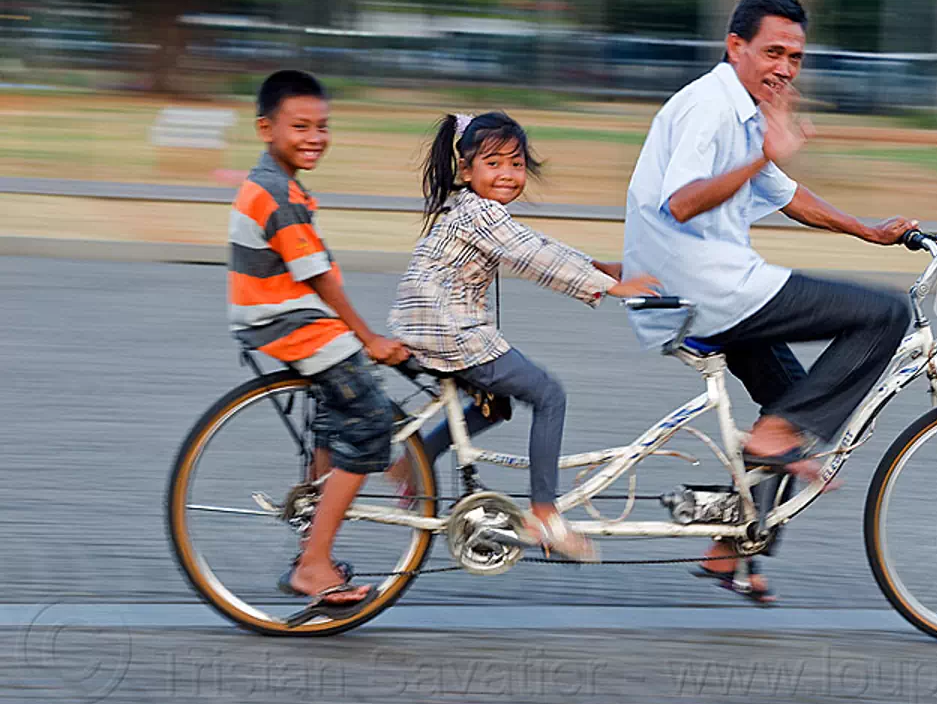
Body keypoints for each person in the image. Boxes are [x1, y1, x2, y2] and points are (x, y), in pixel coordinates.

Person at [622, 0, 917, 602]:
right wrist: (760, 157)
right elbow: (682, 202)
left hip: (707, 286)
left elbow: (786, 193)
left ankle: (729, 551)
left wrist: (871, 232)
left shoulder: (746, 109)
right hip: (700, 285)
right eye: (772, 52)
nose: (784, 68)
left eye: (796, 57)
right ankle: (770, 445)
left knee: (793, 405)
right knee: (886, 314)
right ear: (736, 47)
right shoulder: (709, 107)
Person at [388, 111, 659, 561]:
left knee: (495, 405)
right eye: (493, 164)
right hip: (449, 331)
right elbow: (531, 255)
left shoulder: (472, 209)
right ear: (466, 169)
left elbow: (531, 243)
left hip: (426, 324)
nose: (508, 175)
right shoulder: (481, 214)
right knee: (549, 394)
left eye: (516, 164)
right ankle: (544, 515)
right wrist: (611, 286)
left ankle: (413, 461)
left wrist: (597, 267)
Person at [228, 69, 410, 618]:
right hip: (292, 322)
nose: (314, 137)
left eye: (323, 127)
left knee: (352, 404)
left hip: (283, 318)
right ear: (266, 128)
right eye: (299, 126)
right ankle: (315, 562)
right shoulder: (278, 193)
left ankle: (326, 505)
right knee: (373, 422)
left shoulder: (277, 183)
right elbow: (322, 280)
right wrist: (370, 335)